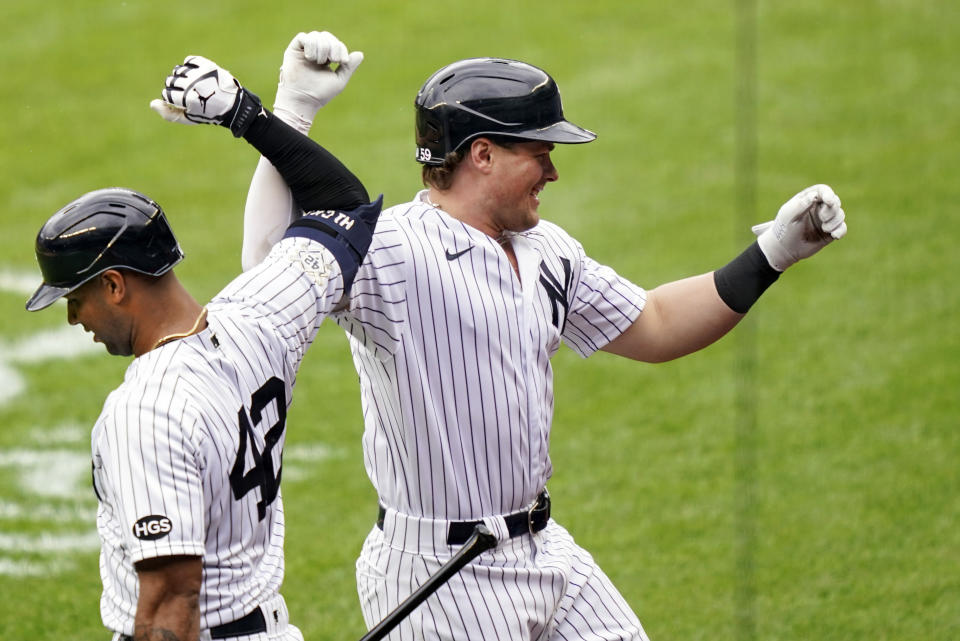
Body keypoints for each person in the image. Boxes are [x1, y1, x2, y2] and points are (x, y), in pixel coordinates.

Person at [156, 43, 847, 640]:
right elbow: (269, 261)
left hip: (546, 551)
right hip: (440, 577)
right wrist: (285, 112)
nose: (553, 172)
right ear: (481, 155)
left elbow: (658, 323)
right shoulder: (395, 246)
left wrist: (776, 253)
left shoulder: (546, 249)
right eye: (540, 153)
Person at [27, 32, 378, 641]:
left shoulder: (145, 411)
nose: (72, 319)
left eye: (75, 299)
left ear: (114, 285)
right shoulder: (259, 320)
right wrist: (256, 114)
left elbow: (170, 605)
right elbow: (340, 206)